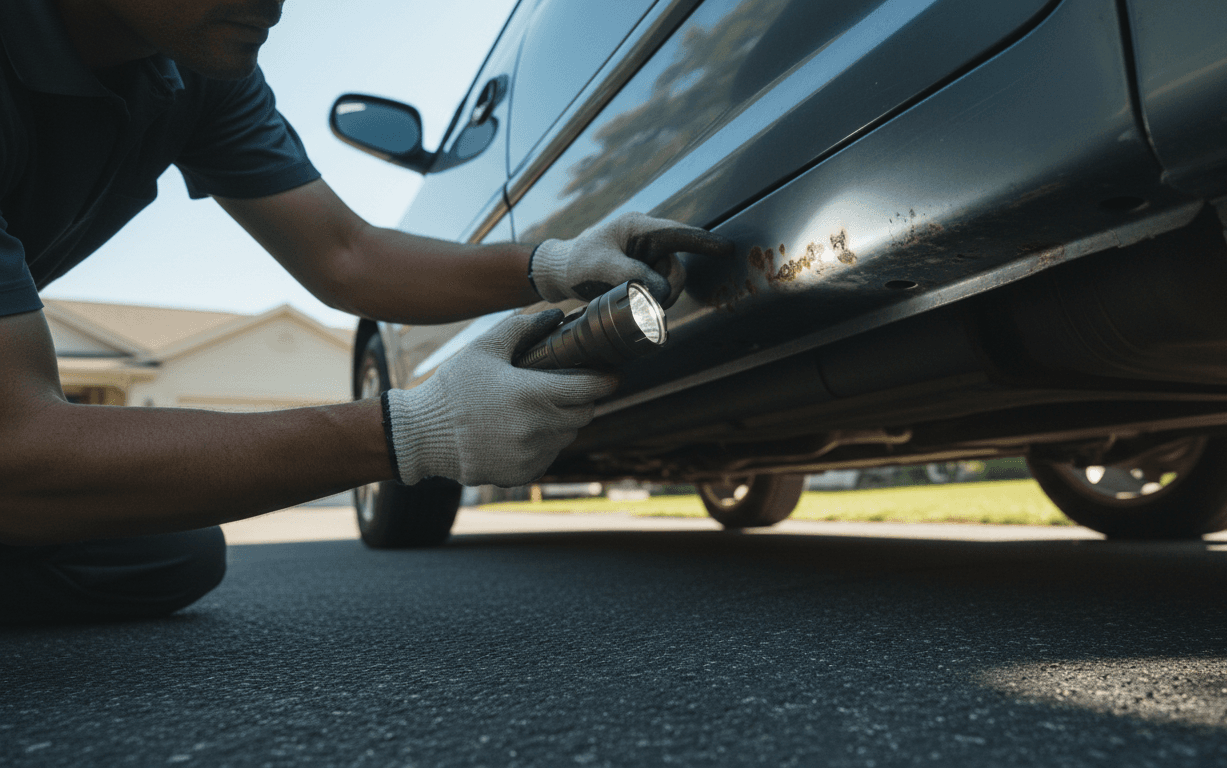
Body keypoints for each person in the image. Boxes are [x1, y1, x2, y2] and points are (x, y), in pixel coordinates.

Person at [0, 0, 732, 624]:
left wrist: (552, 264)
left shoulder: (192, 67)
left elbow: (348, 254)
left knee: (167, 553)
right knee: (60, 497)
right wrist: (411, 431)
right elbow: (18, 451)